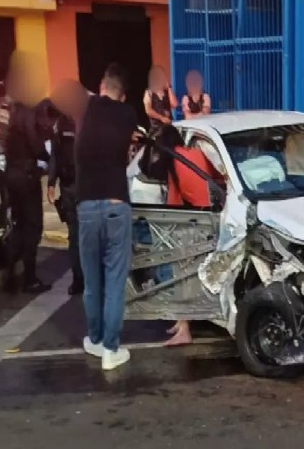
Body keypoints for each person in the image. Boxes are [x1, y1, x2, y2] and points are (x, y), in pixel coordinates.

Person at [56, 64, 140, 371]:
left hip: (87, 206)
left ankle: (94, 339)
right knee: (115, 281)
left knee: (92, 282)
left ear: (101, 86)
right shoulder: (128, 113)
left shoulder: (85, 107)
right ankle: (111, 349)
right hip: (117, 203)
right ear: (123, 94)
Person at [156, 124, 224, 346]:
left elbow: (173, 203)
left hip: (196, 220)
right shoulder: (195, 153)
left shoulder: (173, 163)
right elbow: (216, 177)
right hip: (216, 215)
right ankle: (181, 321)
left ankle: (184, 329)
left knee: (182, 273)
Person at [3, 100, 51, 294]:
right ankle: (29, 279)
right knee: (33, 227)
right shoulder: (28, 111)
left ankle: (9, 273)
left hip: (12, 175)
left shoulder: (11, 111)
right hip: (27, 176)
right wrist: (46, 156)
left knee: (18, 226)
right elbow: (35, 142)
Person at [47, 110, 82, 296]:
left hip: (81, 186)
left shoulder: (83, 121)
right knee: (76, 236)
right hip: (73, 187)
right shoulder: (61, 125)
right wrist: (51, 183)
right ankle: (79, 279)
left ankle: (83, 280)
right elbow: (55, 155)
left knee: (81, 236)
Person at [143, 65, 177, 132]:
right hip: (156, 128)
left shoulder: (167, 91)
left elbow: (174, 104)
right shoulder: (149, 92)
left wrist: (169, 87)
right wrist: (161, 118)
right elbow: (148, 111)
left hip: (169, 126)